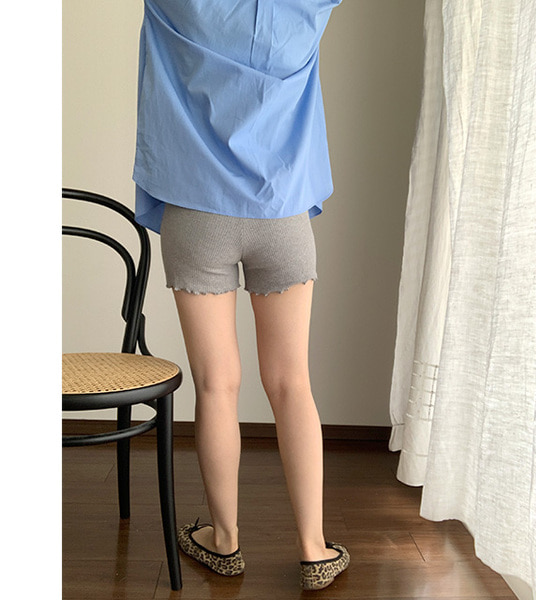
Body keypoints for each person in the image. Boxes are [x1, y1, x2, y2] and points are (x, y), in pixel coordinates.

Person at [133, 0, 348, 590]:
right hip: (282, 211)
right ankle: (314, 549)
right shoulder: (305, 8)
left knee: (216, 385)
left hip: (196, 209)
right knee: (292, 383)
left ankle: (224, 541)